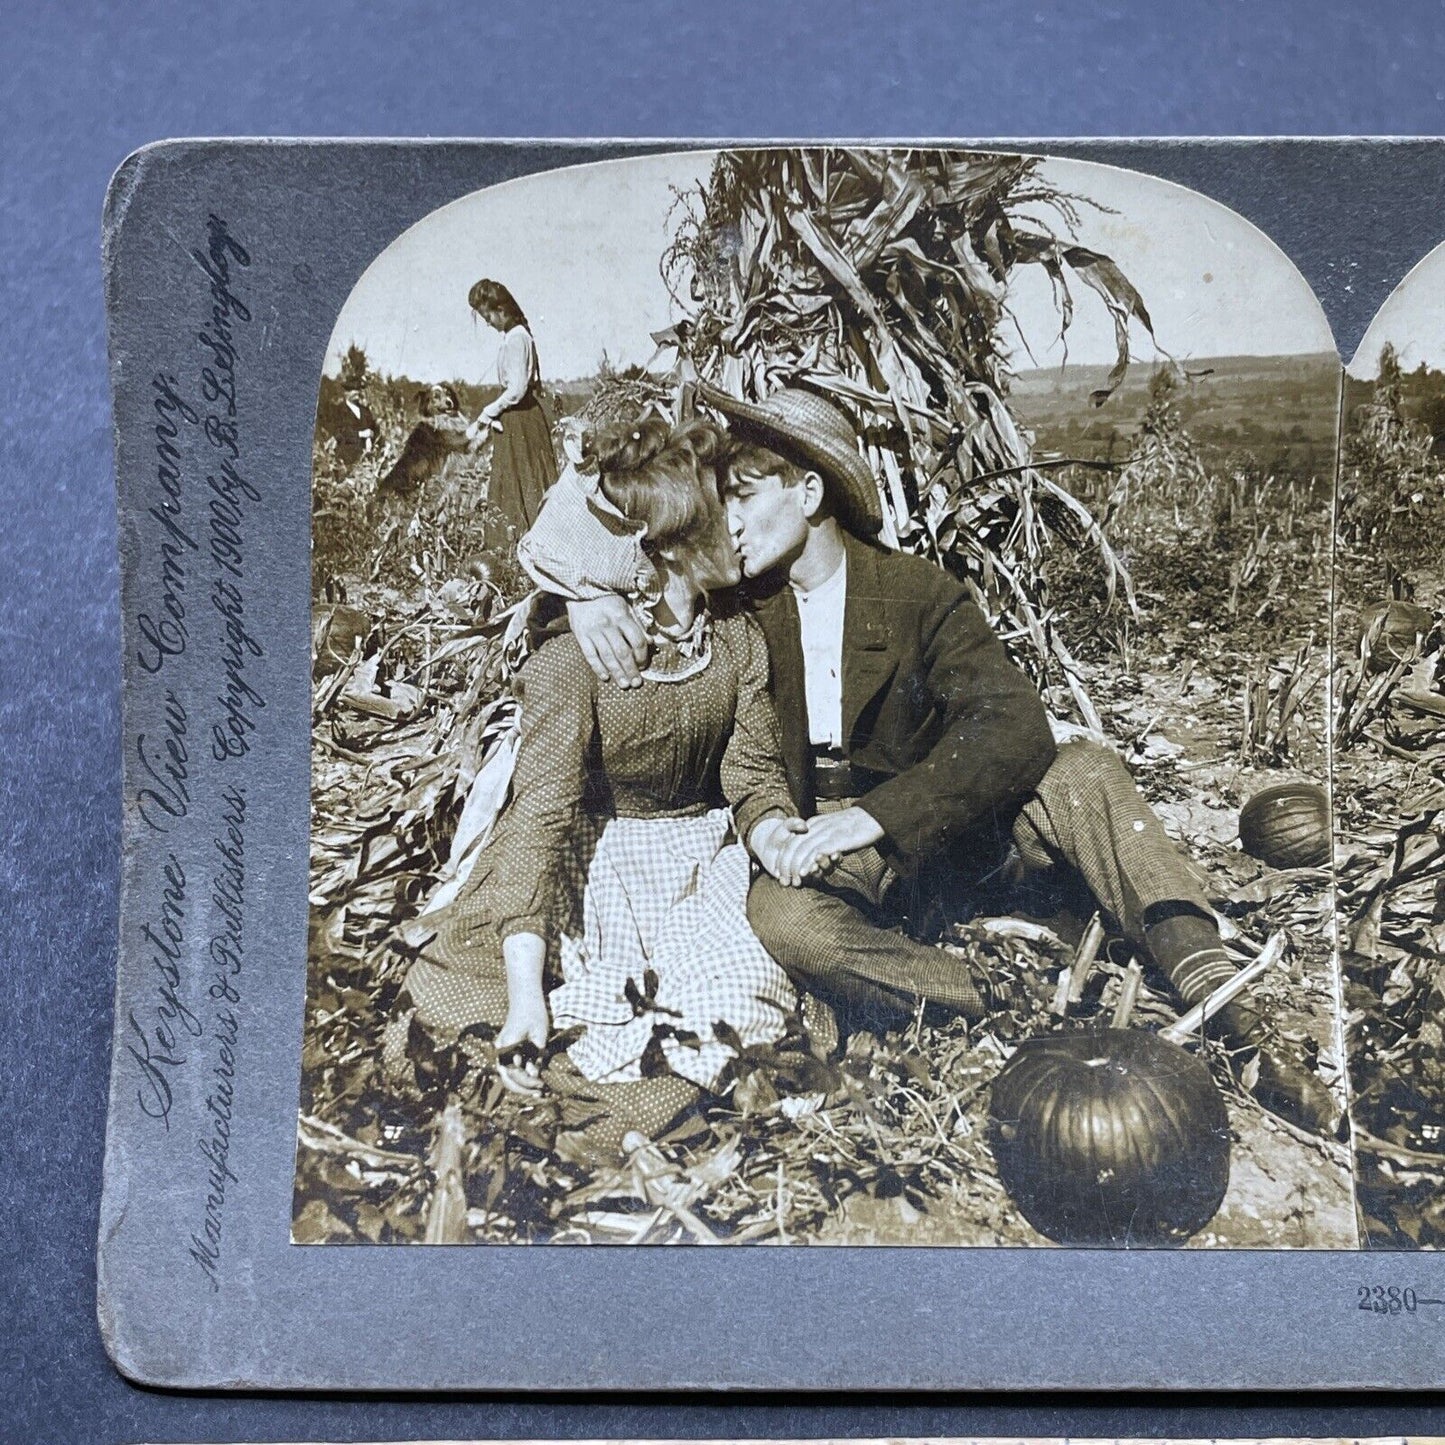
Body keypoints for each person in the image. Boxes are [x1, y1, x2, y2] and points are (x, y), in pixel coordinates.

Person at [522, 383, 1338, 1134]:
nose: (724, 521)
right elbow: (581, 501)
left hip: (940, 839)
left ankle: (1223, 1001)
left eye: (742, 495)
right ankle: (1010, 999)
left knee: (1081, 768)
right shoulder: (735, 606)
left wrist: (876, 816)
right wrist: (584, 595)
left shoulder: (915, 592)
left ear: (808, 495)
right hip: (836, 868)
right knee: (780, 917)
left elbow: (1012, 723)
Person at [386, 414, 802, 1153]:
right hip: (591, 862)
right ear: (665, 545)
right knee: (485, 1004)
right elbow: (540, 813)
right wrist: (523, 995)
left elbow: (750, 770)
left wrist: (774, 832)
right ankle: (588, 1101)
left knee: (732, 1000)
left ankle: (632, 1106)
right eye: (721, 513)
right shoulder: (571, 658)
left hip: (702, 866)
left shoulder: (734, 633)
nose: (740, 527)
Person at [464, 279, 559, 535]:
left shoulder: (518, 338)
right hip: (517, 420)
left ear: (501, 310)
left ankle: (525, 546)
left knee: (524, 484)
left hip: (522, 421)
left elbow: (516, 390)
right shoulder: (513, 337)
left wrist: (487, 413)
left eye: (488, 316)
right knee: (515, 485)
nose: (488, 322)